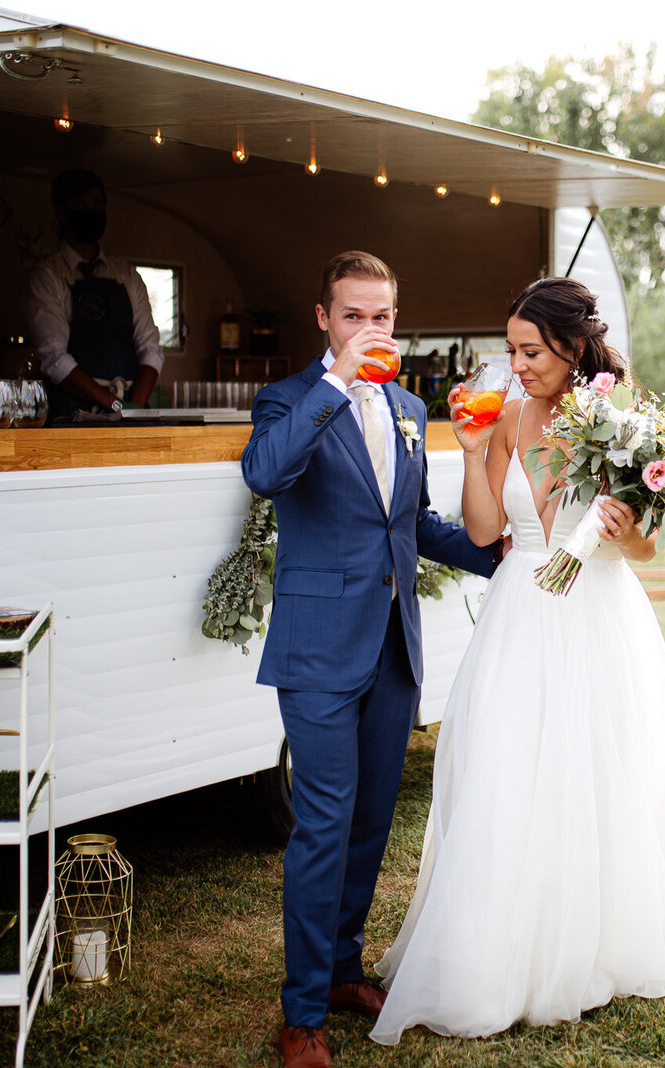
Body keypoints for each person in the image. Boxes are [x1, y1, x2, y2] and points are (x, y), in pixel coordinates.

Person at [371, 277, 665, 1045]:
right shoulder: (506, 420)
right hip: (520, 616)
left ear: (570, 349)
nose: (518, 364)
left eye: (530, 351)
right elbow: (489, 528)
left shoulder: (621, 424)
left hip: (598, 617)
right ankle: (498, 940)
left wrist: (625, 523)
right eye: (512, 350)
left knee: (596, 768)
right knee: (507, 767)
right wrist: (469, 453)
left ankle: (599, 935)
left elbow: (643, 546)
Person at [240, 251, 499, 1068]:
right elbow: (264, 473)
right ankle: (301, 1011)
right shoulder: (287, 399)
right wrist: (336, 385)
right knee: (321, 823)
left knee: (371, 823)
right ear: (324, 318)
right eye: (353, 315)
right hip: (317, 650)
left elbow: (411, 522)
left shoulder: (410, 406)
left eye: (381, 316)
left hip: (394, 647)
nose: (369, 329)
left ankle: (345, 970)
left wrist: (504, 554)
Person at [23, 169, 165, 421]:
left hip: (128, 409)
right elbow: (54, 357)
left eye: (97, 204)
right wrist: (112, 405)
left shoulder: (127, 275)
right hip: (73, 413)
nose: (90, 210)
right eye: (81, 204)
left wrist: (133, 408)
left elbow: (150, 348)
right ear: (60, 211)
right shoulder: (47, 276)